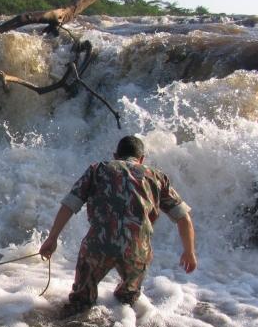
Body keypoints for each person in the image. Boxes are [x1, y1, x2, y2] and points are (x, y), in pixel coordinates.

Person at [40, 136, 197, 317]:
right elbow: (183, 218)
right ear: (142, 159)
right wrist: (189, 251)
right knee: (126, 303)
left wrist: (52, 239)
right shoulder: (157, 177)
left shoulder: (97, 170)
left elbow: (69, 205)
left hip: (98, 246)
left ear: (115, 155)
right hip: (137, 250)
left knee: (80, 303)